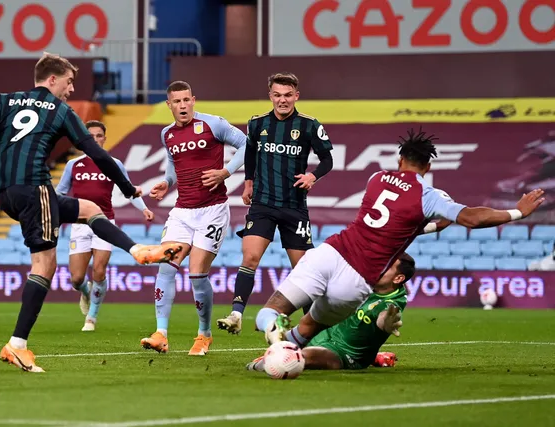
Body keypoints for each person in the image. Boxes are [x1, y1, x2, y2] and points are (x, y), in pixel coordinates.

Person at [0, 52, 181, 373]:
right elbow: (98, 155)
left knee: (88, 209)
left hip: (5, 193)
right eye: (69, 81)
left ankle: (136, 250)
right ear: (52, 80)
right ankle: (17, 345)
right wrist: (128, 189)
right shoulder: (61, 111)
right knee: (45, 264)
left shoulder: (6, 100)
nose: (72, 89)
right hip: (35, 189)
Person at [254, 128, 545, 347]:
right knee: (307, 329)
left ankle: (271, 328)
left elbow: (387, 223)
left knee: (271, 309)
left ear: (400, 159)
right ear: (428, 168)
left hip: (332, 253)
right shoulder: (428, 197)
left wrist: (424, 227)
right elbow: (472, 218)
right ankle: (282, 356)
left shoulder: (376, 178)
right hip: (357, 280)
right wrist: (517, 212)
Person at [217, 72, 334, 335]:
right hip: (263, 203)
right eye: (277, 95)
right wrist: (248, 183)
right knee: (250, 256)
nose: (283, 100)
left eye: (287, 95)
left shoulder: (309, 125)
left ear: (296, 96)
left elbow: (327, 160)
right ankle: (236, 315)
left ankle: (315, 329)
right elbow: (250, 153)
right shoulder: (257, 124)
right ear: (270, 95)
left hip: (294, 206)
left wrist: (313, 175)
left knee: (304, 269)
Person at [140, 80, 246, 356]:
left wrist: (226, 171)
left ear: (193, 100)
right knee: (166, 266)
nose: (183, 105)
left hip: (213, 210)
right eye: (177, 101)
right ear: (169, 105)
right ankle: (161, 333)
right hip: (182, 211)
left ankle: (204, 334)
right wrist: (166, 182)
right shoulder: (167, 135)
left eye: (186, 100)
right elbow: (174, 165)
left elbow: (248, 144)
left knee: (197, 274)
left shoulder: (214, 124)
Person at [56, 120, 155, 332]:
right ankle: (84, 291)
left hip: (104, 222)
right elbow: (61, 192)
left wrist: (144, 208)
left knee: (99, 271)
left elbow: (128, 190)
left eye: (99, 135)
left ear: (104, 138)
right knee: (76, 279)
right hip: (79, 224)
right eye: (90, 136)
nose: (95, 139)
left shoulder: (113, 163)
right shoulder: (73, 165)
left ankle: (91, 318)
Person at [246, 253, 415, 373]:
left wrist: (386, 324)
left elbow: (384, 318)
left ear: (398, 278)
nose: (379, 266)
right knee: (278, 335)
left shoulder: (391, 303)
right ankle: (376, 357)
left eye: (386, 266)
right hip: (322, 333)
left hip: (344, 353)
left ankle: (269, 363)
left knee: (298, 358)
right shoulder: (363, 279)